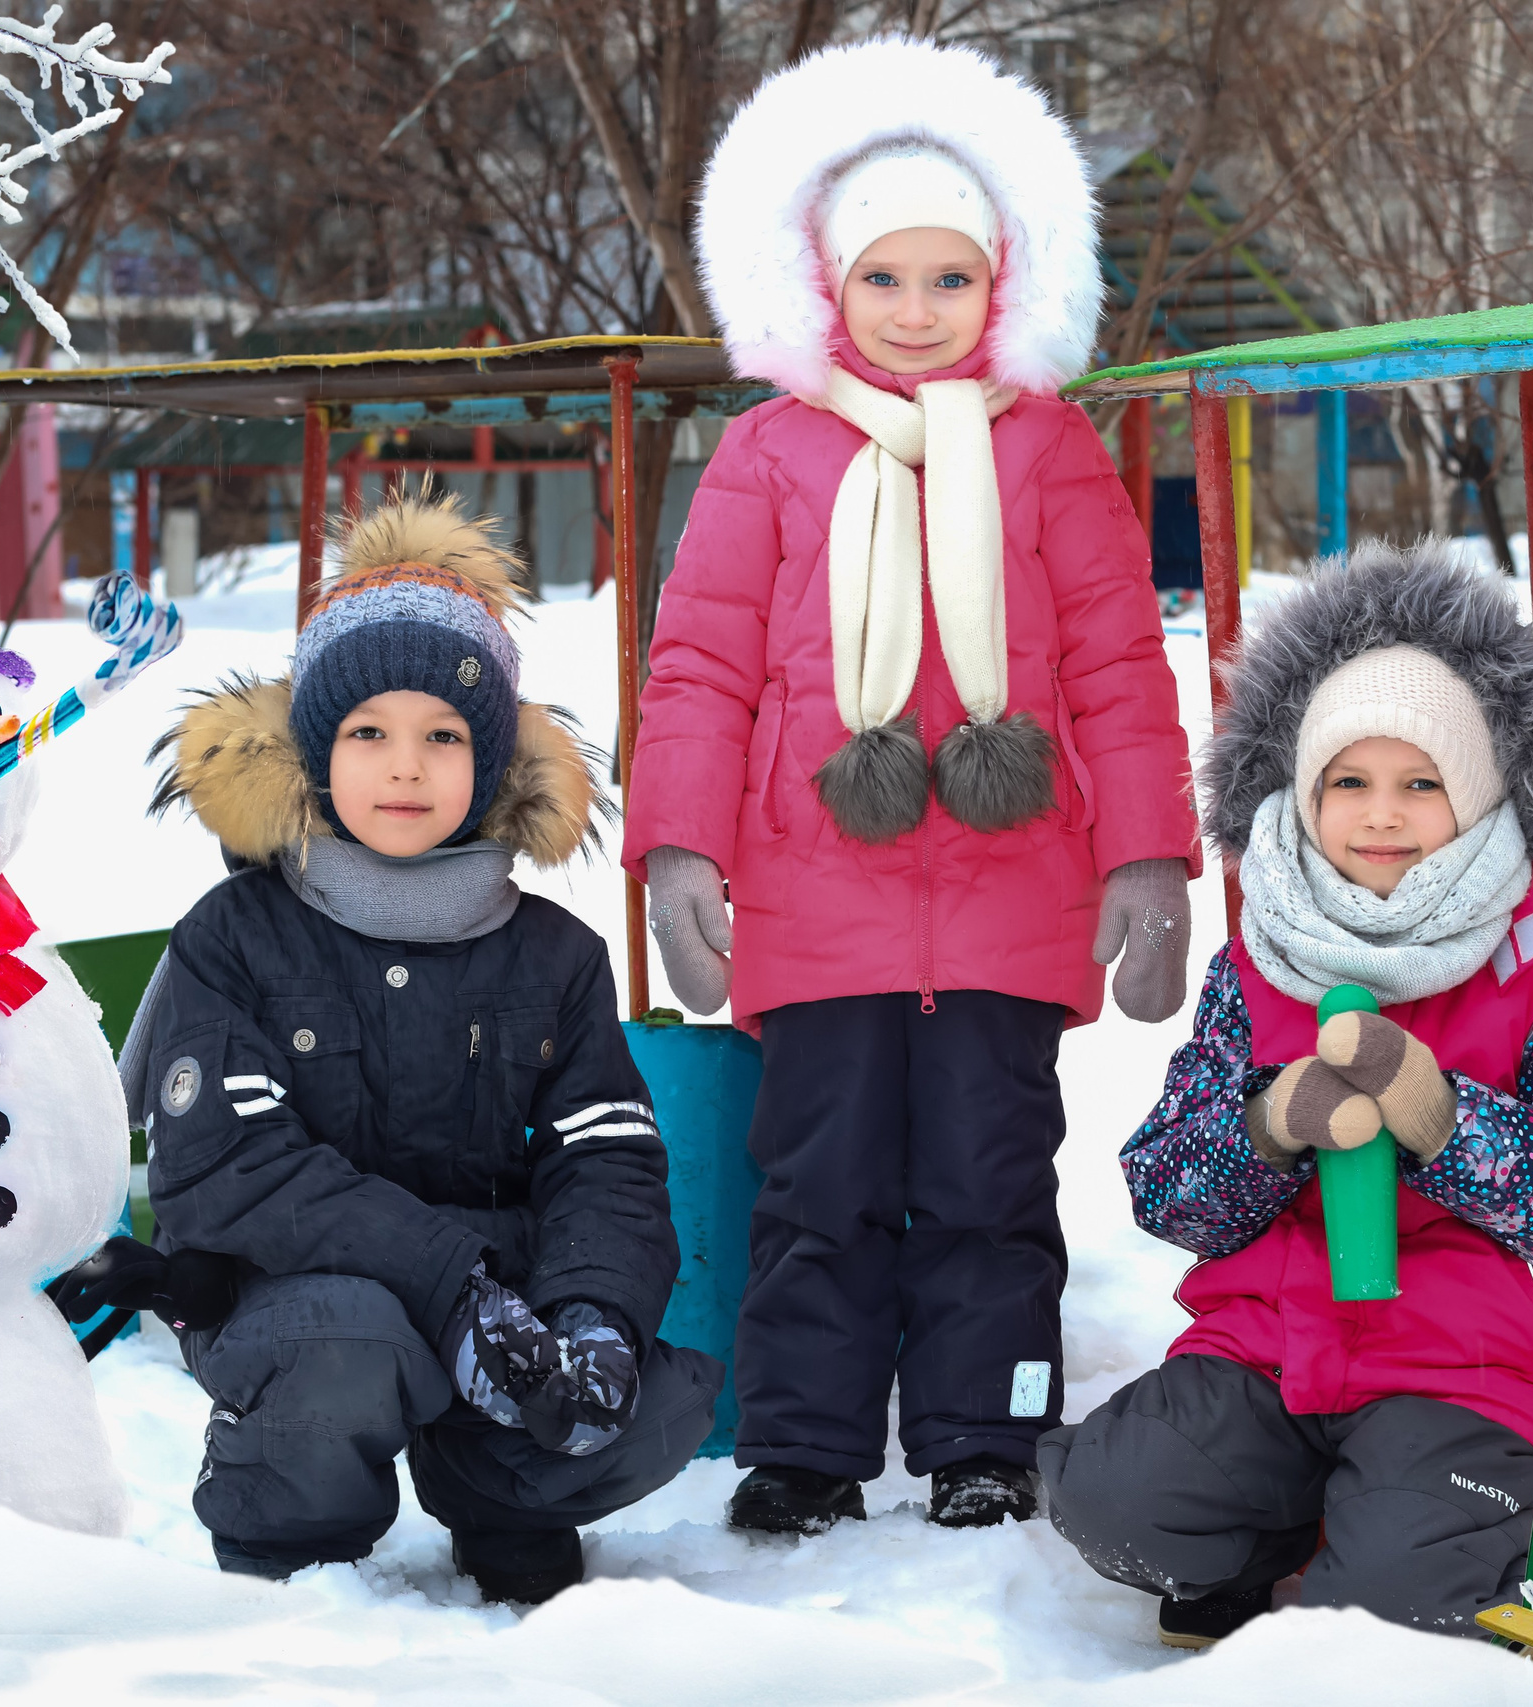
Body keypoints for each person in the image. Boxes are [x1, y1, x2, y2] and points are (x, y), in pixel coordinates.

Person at [625, 37, 1201, 1535]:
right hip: (818, 889)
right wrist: (681, 847)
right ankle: (805, 1443)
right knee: (815, 1186)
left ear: (1002, 285)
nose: (918, 310)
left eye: (951, 280)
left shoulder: (1053, 452)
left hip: (1015, 891)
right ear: (826, 284)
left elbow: (1118, 669)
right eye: (886, 279)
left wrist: (1146, 861)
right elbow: (699, 667)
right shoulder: (768, 456)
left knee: (990, 1184)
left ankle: (986, 1431)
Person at [1036, 542, 1533, 1647]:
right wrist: (1267, 1126)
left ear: (1475, 799)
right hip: (1269, 1355)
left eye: (1420, 783)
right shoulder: (1253, 968)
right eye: (1349, 782)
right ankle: (1274, 1530)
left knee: (1384, 1622)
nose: (1381, 816)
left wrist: (1447, 1121)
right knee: (1110, 1504)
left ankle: (1401, 1545)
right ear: (1304, 794)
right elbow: (1166, 1192)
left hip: (1465, 1375)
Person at [97, 493, 721, 1601]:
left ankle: (503, 1495)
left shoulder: (554, 955)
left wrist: (590, 1316)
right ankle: (286, 1538)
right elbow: (233, 1172)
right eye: (368, 733)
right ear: (314, 753)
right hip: (290, 1303)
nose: (405, 767)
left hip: (501, 1307)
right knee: (353, 1335)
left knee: (651, 1397)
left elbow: (608, 1163)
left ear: (488, 764)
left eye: (442, 736)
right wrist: (456, 1289)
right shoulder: (236, 935)